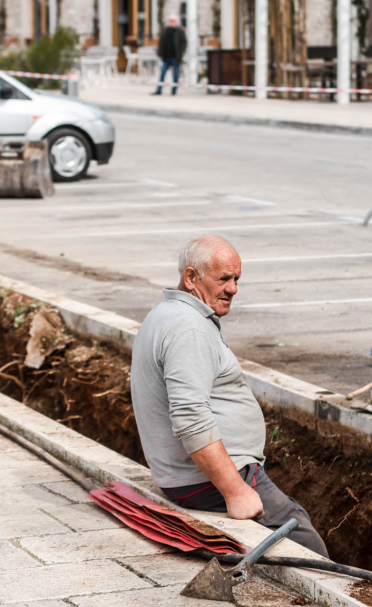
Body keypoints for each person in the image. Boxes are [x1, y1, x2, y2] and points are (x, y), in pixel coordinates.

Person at [131, 235, 329, 556]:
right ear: (191, 277)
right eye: (223, 278)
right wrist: (235, 490)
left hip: (187, 478)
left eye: (237, 279)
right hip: (209, 481)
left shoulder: (166, 314)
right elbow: (191, 417)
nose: (233, 289)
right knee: (305, 542)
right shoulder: (188, 328)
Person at [153, 15, 186, 95]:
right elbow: (161, 42)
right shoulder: (166, 30)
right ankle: (159, 89)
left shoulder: (180, 31)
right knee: (162, 72)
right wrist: (160, 53)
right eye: (171, 21)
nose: (172, 22)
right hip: (166, 56)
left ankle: (174, 90)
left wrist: (181, 52)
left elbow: (184, 43)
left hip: (175, 56)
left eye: (173, 21)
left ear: (176, 22)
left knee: (175, 74)